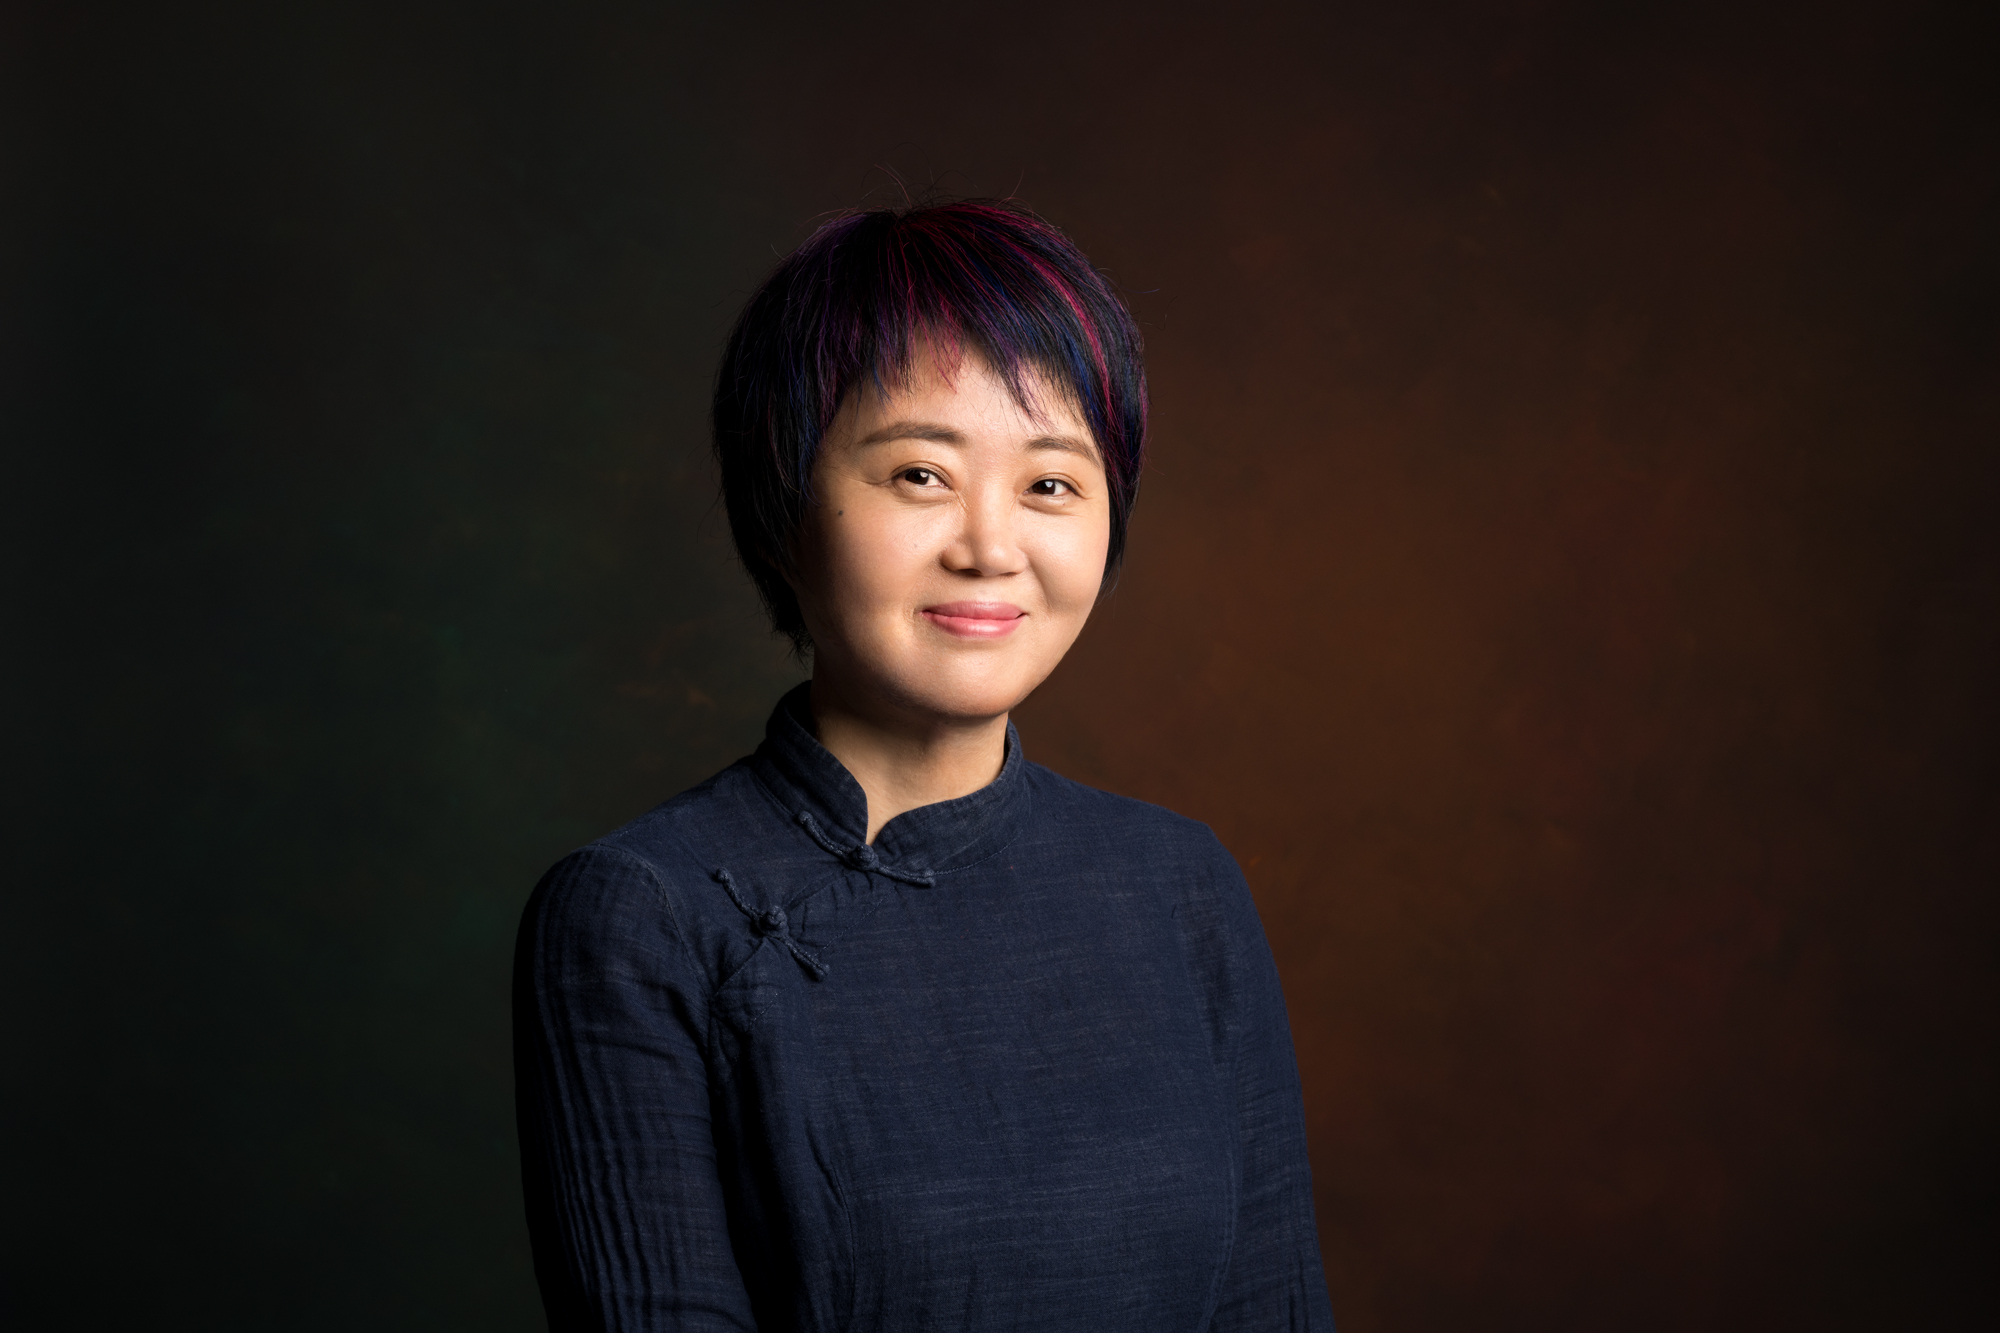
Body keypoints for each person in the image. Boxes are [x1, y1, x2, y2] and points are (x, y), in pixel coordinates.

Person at [513, 200, 1335, 1331]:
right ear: (782, 509)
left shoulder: (1179, 884)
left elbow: (1273, 1308)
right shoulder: (640, 914)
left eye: (1050, 484)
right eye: (918, 474)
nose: (989, 547)